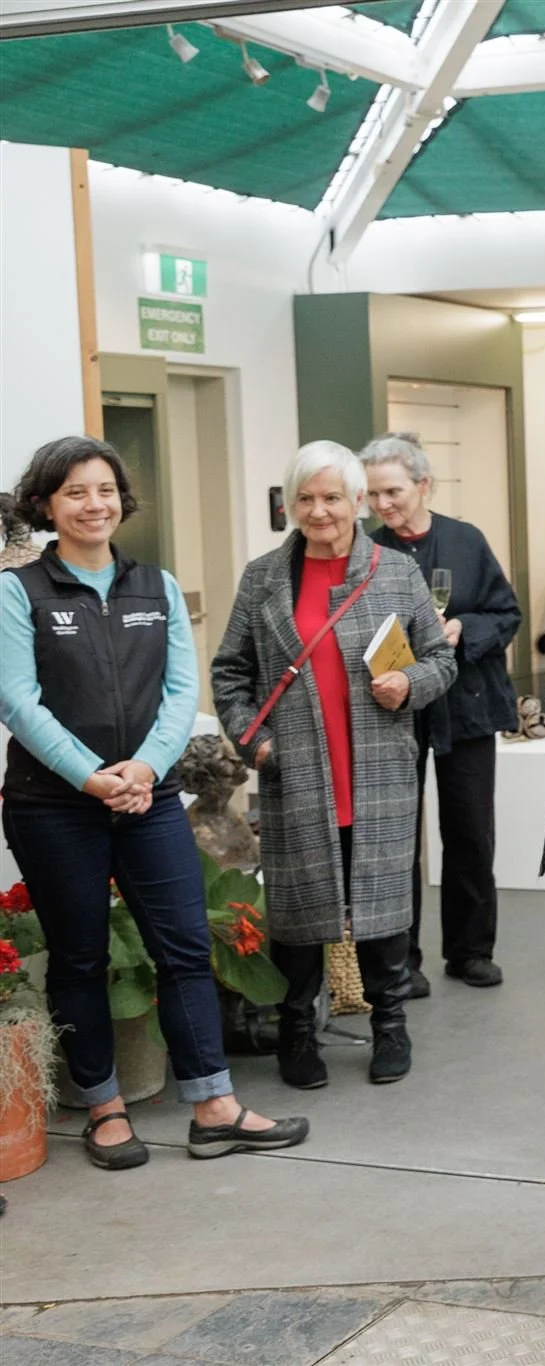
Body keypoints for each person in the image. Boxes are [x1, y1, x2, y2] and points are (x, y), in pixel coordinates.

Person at [0, 436, 308, 1167]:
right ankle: (104, 1107)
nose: (94, 504)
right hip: (54, 806)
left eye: (105, 489)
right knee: (79, 956)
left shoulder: (156, 586)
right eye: (75, 492)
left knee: (184, 949)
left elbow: (180, 693)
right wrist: (90, 776)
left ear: (122, 499)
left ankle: (214, 1107)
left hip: (150, 799)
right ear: (46, 504)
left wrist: (143, 769)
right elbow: (16, 699)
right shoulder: (19, 592)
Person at [211, 441, 455, 1090]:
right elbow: (230, 672)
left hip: (377, 770)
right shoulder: (264, 578)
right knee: (298, 910)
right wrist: (254, 743)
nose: (319, 512)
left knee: (381, 904)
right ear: (291, 505)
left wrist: (409, 684)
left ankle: (391, 1024)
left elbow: (441, 659)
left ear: (358, 502)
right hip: (294, 772)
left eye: (332, 498)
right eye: (306, 499)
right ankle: (296, 1030)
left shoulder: (395, 572)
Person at [362, 433, 523, 994]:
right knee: (396, 837)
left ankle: (470, 951)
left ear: (424, 485)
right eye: (373, 495)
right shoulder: (367, 552)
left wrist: (462, 629)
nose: (383, 504)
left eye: (393, 491)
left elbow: (506, 614)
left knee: (470, 832)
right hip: (393, 711)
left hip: (467, 707)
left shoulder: (466, 540)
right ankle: (400, 961)